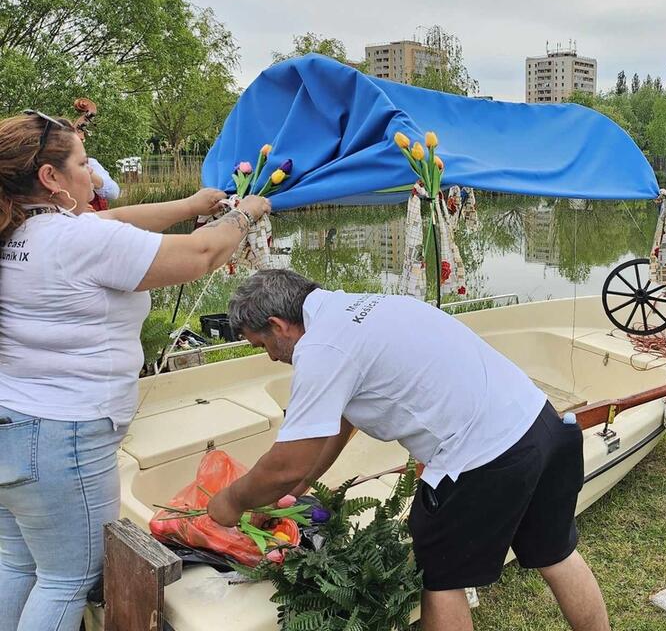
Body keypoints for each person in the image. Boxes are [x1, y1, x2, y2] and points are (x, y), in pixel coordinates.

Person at [206, 269, 610, 631]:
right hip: (539, 423)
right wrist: (301, 485)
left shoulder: (322, 349)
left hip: (482, 456)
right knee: (555, 552)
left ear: (279, 325)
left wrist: (232, 500)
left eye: (263, 344)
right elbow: (338, 426)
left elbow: (284, 466)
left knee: (441, 579)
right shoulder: (361, 308)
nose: (272, 357)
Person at [0, 109, 271, 631]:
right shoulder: (75, 241)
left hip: (11, 423)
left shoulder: (19, 231)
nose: (94, 176)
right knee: (68, 579)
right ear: (50, 178)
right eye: (83, 163)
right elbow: (200, 253)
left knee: (17, 563)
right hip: (63, 437)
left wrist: (193, 204)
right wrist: (246, 213)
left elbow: (118, 221)